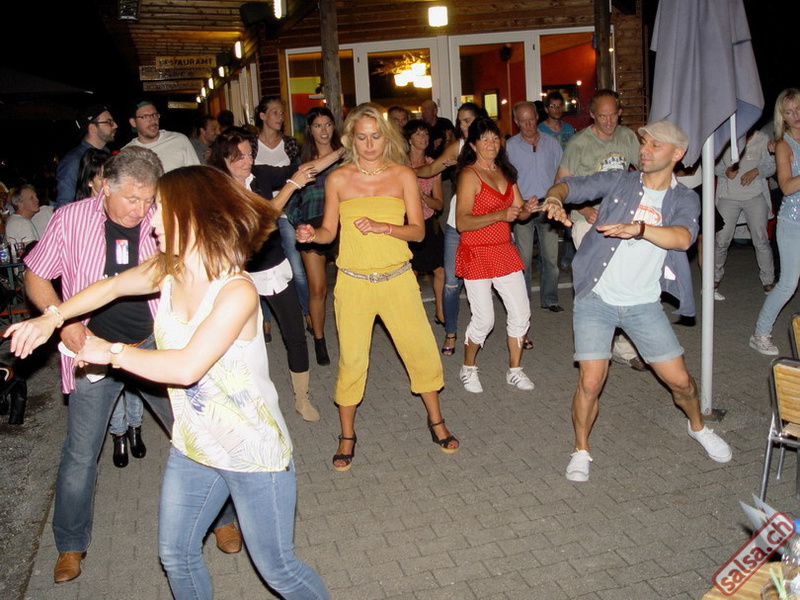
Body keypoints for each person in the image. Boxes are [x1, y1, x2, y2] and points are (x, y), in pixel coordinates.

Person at [6, 165, 330, 600]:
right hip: (195, 444)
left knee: (278, 569)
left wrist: (112, 352)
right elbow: (110, 287)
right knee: (176, 555)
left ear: (190, 214)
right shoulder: (168, 268)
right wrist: (53, 318)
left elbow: (186, 368)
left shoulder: (235, 290)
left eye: (160, 209)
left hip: (251, 450)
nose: (151, 218)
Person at [14, 147, 241, 584]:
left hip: (154, 344)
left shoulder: (162, 218)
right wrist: (65, 322)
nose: (141, 210)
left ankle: (223, 518)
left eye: (148, 199)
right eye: (132, 199)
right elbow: (36, 275)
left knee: (194, 432)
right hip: (92, 351)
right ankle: (70, 544)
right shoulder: (70, 219)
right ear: (105, 187)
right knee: (80, 452)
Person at [540, 120, 733, 482]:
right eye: (644, 143)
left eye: (655, 145)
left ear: (677, 154)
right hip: (597, 297)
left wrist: (640, 229)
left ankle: (697, 426)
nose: (644, 150)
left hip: (643, 304)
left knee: (682, 383)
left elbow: (683, 238)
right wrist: (554, 197)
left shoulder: (684, 198)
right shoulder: (620, 181)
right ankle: (581, 449)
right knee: (590, 382)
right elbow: (572, 185)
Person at [296, 102, 459, 471]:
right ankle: (347, 435)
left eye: (375, 137)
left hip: (397, 279)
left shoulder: (403, 175)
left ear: (386, 138)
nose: (369, 145)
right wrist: (311, 234)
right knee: (353, 360)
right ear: (350, 140)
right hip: (354, 284)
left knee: (420, 350)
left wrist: (384, 227)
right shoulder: (338, 179)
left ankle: (436, 420)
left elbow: (418, 231)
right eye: (362, 137)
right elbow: (328, 233)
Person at [208, 126, 336, 422]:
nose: (247, 161)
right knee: (242, 343)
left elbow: (306, 168)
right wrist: (291, 185)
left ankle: (302, 399)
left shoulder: (260, 176)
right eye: (239, 157)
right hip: (238, 276)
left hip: (274, 267)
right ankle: (247, 403)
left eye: (249, 154)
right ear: (224, 159)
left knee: (295, 334)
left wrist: (343, 150)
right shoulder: (218, 190)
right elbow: (259, 218)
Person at [556, 89, 646, 372]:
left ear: (620, 113)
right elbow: (562, 183)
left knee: (622, 281)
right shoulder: (579, 143)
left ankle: (622, 346)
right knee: (599, 282)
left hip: (620, 219)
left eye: (613, 116)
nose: (608, 122)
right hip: (587, 221)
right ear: (592, 115)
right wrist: (583, 209)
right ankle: (596, 344)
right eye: (602, 116)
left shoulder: (627, 137)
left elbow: (643, 173)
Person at [454, 117, 538, 394]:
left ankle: (515, 370)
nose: (491, 144)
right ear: (473, 145)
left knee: (521, 313)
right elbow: (462, 222)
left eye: (494, 138)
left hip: (504, 250)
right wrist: (500, 214)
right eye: (484, 139)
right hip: (476, 252)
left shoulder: (505, 172)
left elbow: (519, 212)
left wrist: (528, 209)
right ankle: (468, 368)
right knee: (484, 320)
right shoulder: (469, 175)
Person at [74, 149, 144, 465]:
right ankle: (118, 436)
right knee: (105, 383)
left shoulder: (134, 216)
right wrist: (62, 318)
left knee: (135, 384)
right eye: (106, 176)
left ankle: (136, 428)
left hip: (136, 321)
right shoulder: (76, 220)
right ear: (94, 181)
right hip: (97, 326)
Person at [414, 102, 488, 355]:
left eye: (468, 120)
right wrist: (403, 171)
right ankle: (450, 332)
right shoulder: (458, 146)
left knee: (497, 280)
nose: (463, 125)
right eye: (460, 121)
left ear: (480, 119)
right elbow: (430, 169)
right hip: (457, 223)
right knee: (451, 281)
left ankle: (520, 330)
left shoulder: (493, 145)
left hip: (487, 223)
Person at [286, 107, 343, 366]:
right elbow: (291, 200)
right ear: (310, 130)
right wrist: (300, 224)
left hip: (342, 224)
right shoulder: (302, 161)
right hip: (312, 225)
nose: (324, 130)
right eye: (318, 125)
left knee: (346, 287)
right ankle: (319, 340)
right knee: (318, 288)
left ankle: (348, 335)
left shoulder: (346, 156)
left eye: (328, 124)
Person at [254, 96, 311, 341]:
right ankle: (265, 320)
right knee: (262, 268)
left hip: (287, 211)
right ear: (262, 116)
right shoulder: (251, 146)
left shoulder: (289, 144)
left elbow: (299, 173)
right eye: (275, 112)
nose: (280, 117)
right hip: (262, 215)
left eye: (281, 112)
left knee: (297, 269)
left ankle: (307, 313)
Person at [750, 88, 800, 355]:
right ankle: (760, 334)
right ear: (782, 116)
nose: (796, 115)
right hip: (793, 222)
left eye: (799, 108)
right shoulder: (783, 144)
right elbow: (787, 186)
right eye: (789, 112)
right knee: (788, 284)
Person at [507, 101, 565, 322]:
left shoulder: (552, 143)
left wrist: (560, 200)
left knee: (551, 257)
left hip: (547, 205)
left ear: (537, 117)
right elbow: (506, 179)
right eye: (523, 121)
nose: (528, 124)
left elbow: (561, 173)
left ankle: (550, 299)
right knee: (523, 259)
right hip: (522, 207)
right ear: (516, 122)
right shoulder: (510, 146)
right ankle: (523, 302)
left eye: (531, 119)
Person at [712, 127, 776, 300]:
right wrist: (725, 171)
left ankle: (768, 280)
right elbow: (713, 165)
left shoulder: (762, 138)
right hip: (728, 197)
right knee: (721, 240)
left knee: (761, 240)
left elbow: (771, 167)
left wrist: (756, 171)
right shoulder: (725, 137)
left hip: (755, 196)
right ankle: (714, 279)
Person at [403, 120, 445, 325]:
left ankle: (440, 311)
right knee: (411, 271)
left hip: (427, 221)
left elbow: (439, 203)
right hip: (405, 222)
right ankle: (414, 316)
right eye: (418, 134)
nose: (424, 138)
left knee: (440, 270)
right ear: (409, 139)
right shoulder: (399, 163)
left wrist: (422, 196)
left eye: (426, 134)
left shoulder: (432, 165)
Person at [55, 104, 117, 208]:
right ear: (92, 128)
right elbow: (64, 205)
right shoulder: (74, 160)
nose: (115, 125)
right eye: (109, 122)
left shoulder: (108, 155)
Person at [124, 100, 200, 172]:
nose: (152, 120)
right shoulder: (127, 153)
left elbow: (197, 174)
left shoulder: (179, 140)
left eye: (154, 115)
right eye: (145, 116)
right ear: (133, 122)